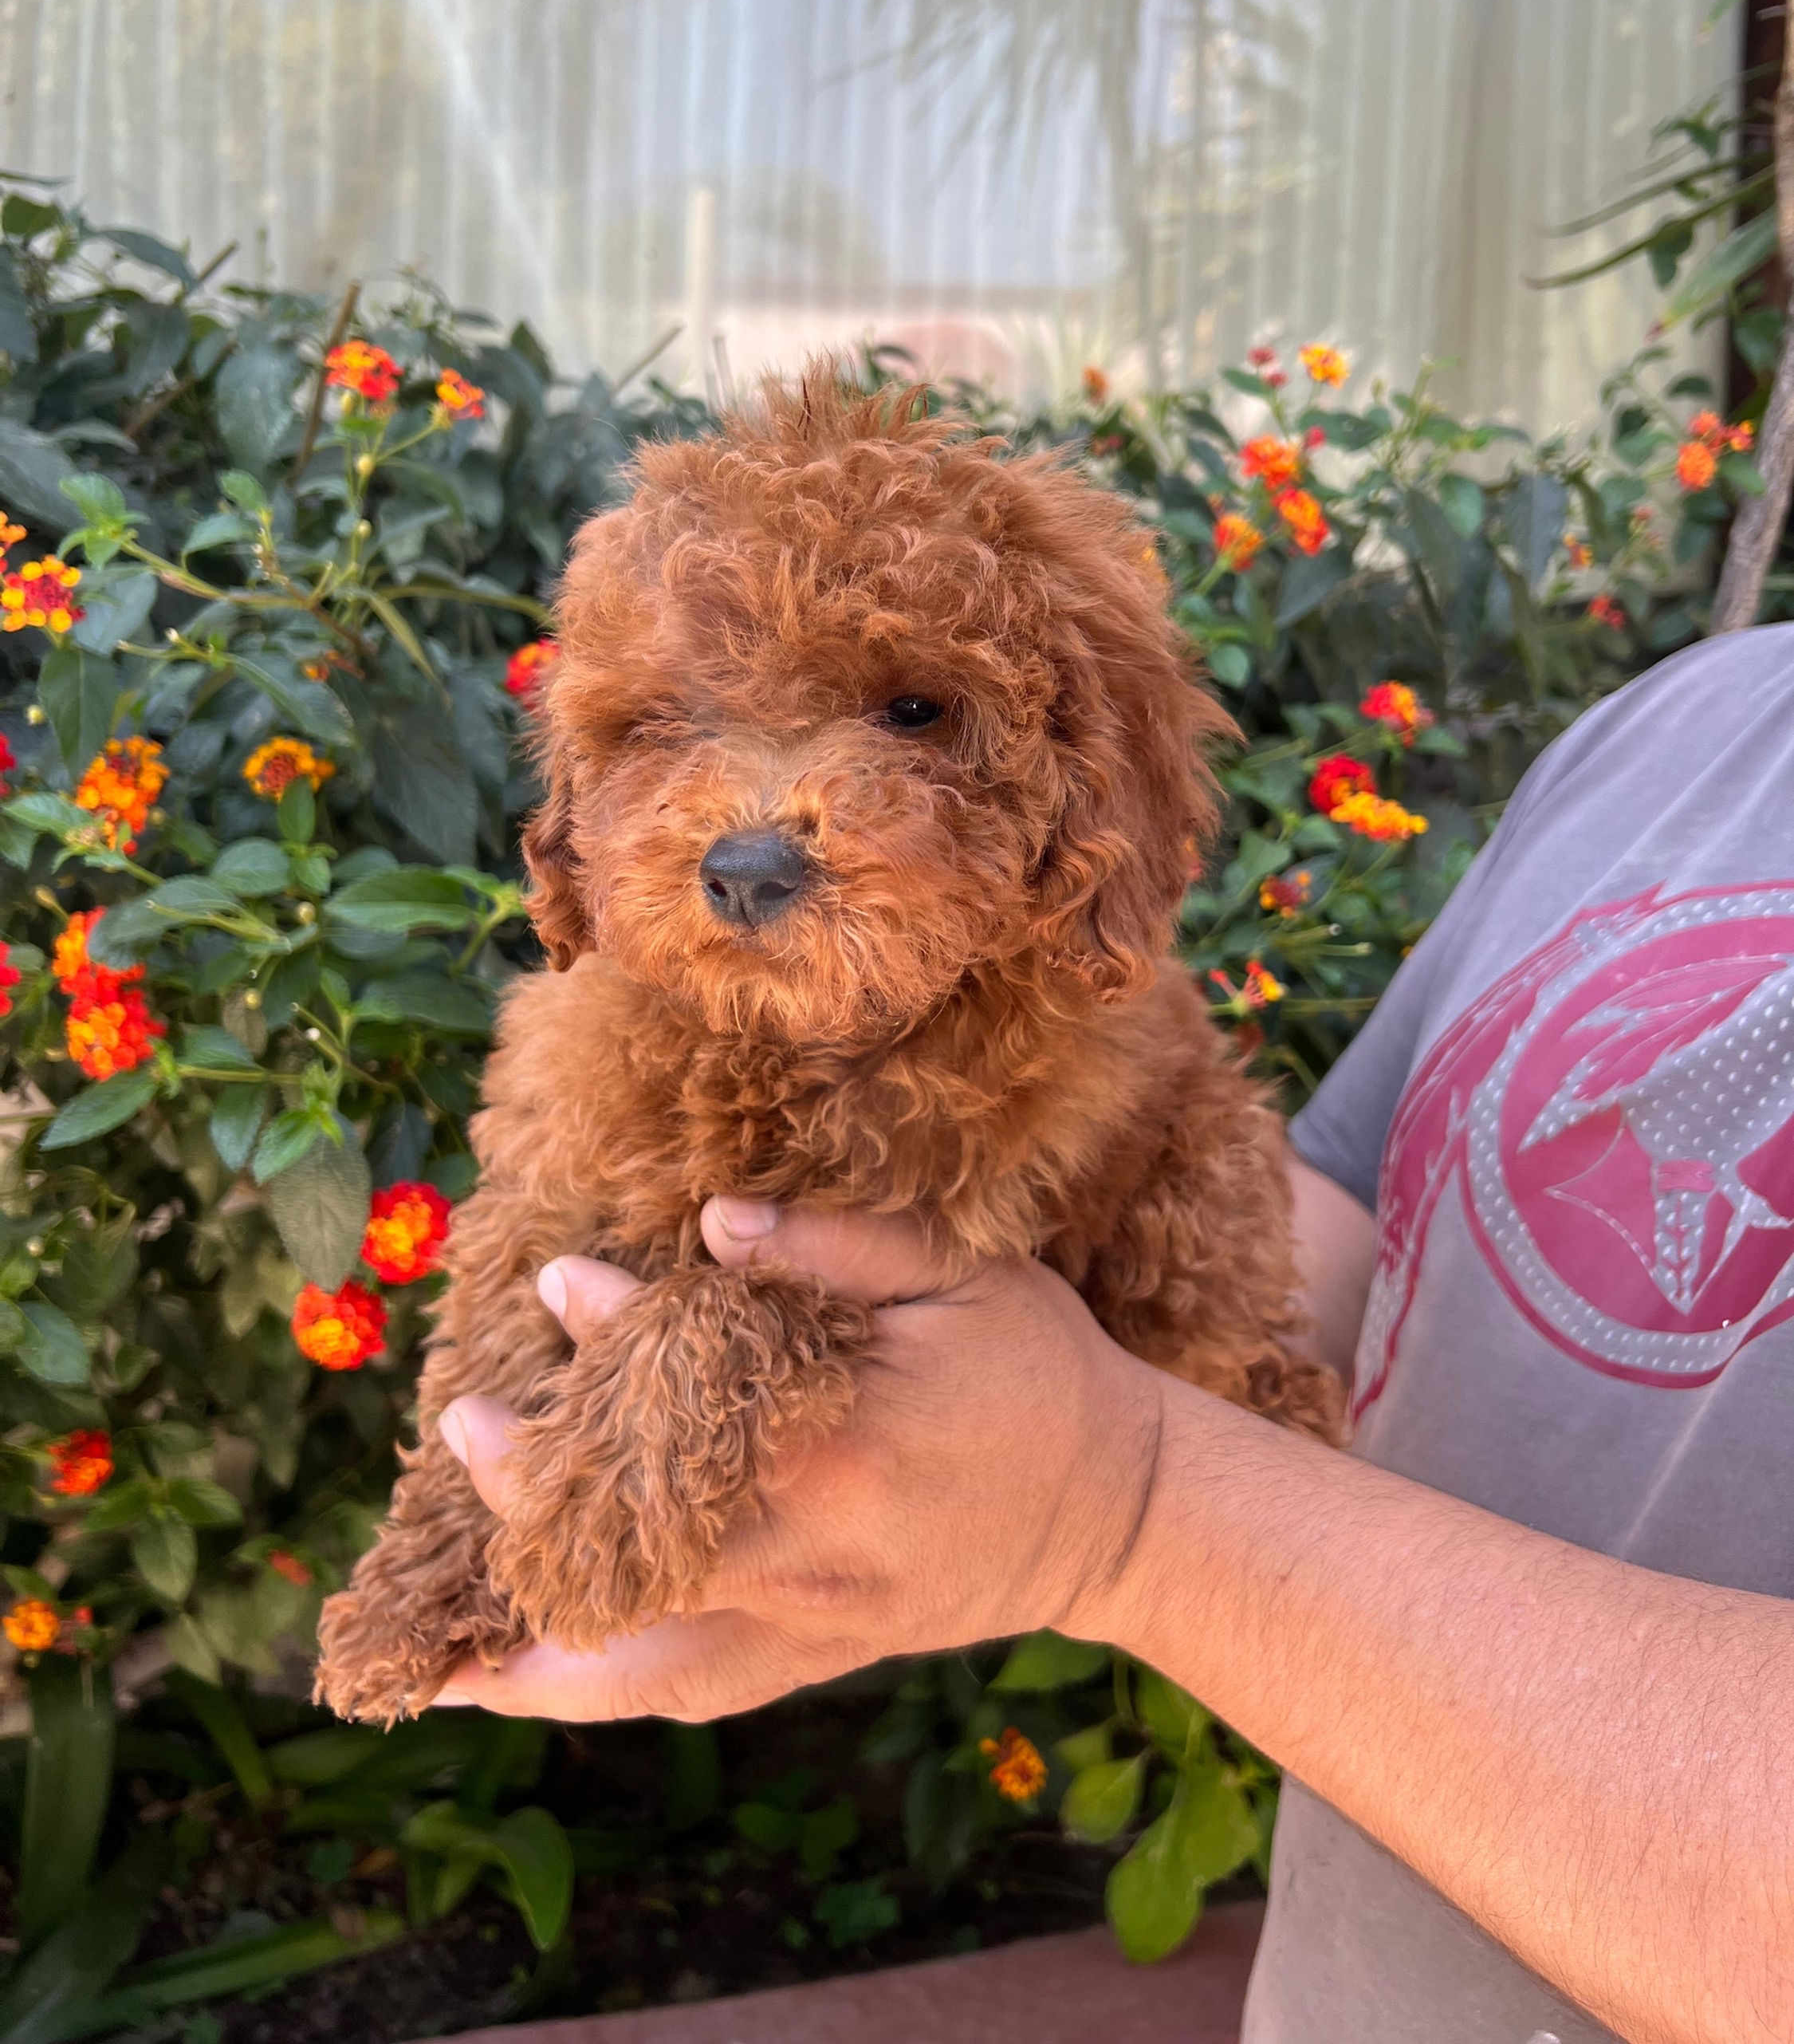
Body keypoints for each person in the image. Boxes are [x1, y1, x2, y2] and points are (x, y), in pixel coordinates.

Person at [427, 628, 1794, 2044]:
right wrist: (905, 1442)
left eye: (907, 713)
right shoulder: (1683, 722)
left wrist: (1124, 1516)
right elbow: (1344, 1228)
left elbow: (1141, 1469)